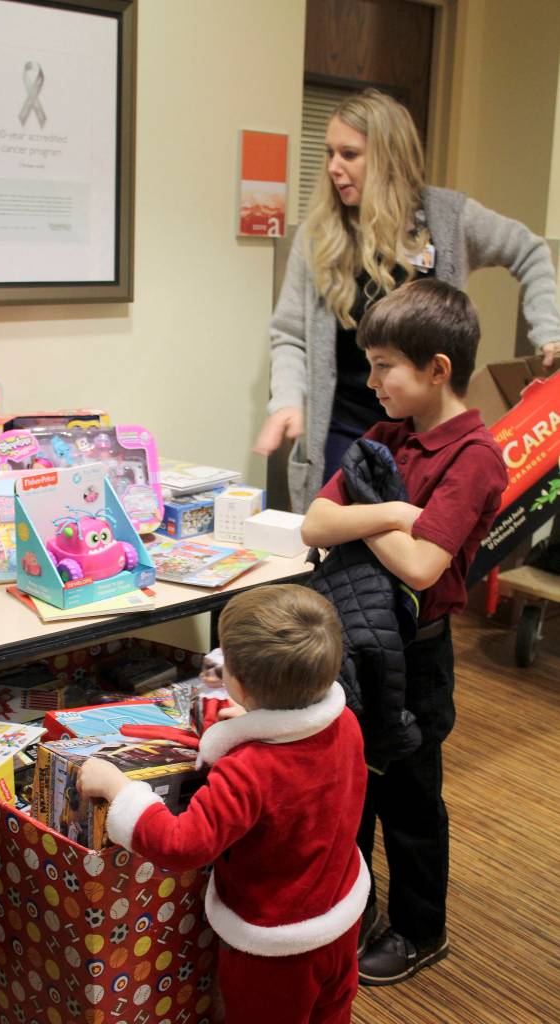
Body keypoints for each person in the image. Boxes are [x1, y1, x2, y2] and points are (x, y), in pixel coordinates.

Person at [301, 277, 509, 986]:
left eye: (383, 366)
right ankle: (354, 911)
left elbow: (422, 568)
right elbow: (315, 524)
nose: (370, 381)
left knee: (411, 802)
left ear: (437, 369)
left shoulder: (474, 457)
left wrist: (363, 514)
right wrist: (391, 513)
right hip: (357, 646)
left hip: (418, 658)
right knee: (352, 789)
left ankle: (422, 931)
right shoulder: (385, 435)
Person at [254, 88, 560, 514]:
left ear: (387, 156)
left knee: (419, 545)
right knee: (336, 544)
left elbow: (529, 251)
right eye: (329, 153)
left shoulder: (449, 219)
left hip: (427, 437)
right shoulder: (319, 235)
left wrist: (548, 330)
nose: (333, 167)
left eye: (349, 154)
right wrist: (287, 401)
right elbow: (290, 336)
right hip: (346, 430)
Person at [78, 584, 369, 1024]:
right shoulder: (344, 722)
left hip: (275, 946)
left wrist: (120, 790)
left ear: (240, 686)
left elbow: (182, 844)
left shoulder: (249, 769)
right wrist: (256, 720)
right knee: (331, 1012)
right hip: (340, 916)